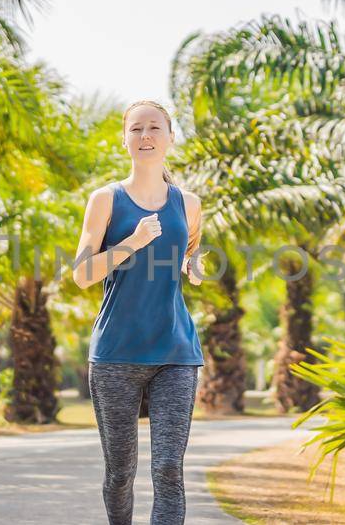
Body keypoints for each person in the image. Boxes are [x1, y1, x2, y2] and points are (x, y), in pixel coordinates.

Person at [71, 99, 207, 525]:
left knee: (169, 467)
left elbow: (190, 250)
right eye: (136, 129)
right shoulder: (105, 199)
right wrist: (131, 242)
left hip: (176, 352)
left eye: (153, 128)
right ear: (125, 139)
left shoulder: (188, 202)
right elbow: (81, 275)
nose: (145, 136)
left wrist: (194, 265)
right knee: (120, 473)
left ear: (170, 137)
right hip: (116, 354)